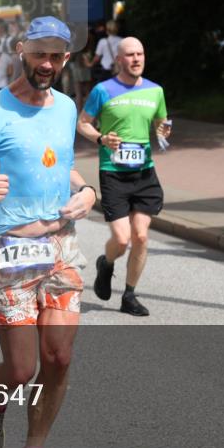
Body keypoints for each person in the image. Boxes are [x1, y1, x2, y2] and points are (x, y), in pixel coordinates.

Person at [0, 16, 95, 448]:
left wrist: (88, 192)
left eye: (56, 56)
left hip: (61, 244)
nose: (48, 64)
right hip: (12, 246)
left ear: (66, 58)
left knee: (58, 357)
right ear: (21, 50)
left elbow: (64, 167)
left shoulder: (66, 107)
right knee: (20, 368)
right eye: (40, 54)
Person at [77, 37, 170, 316]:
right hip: (113, 173)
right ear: (118, 60)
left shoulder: (155, 91)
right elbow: (83, 123)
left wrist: (163, 131)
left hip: (144, 173)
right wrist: (101, 138)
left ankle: (129, 295)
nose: (136, 59)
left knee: (140, 236)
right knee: (121, 240)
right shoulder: (102, 90)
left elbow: (161, 123)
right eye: (130, 55)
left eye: (140, 53)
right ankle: (105, 264)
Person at [88, 19, 121, 84]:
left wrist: (90, 64)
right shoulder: (122, 41)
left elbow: (97, 58)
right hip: (118, 70)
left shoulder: (103, 41)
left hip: (105, 71)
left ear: (107, 30)